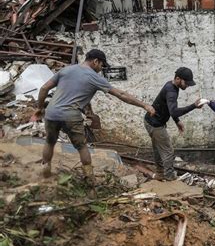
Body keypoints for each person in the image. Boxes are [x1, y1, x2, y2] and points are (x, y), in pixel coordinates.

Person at [33, 49, 155, 181]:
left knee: (50, 142)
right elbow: (121, 95)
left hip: (51, 113)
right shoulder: (94, 77)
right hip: (70, 115)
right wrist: (144, 105)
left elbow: (44, 88)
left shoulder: (66, 70)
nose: (101, 69)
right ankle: (90, 181)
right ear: (95, 61)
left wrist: (40, 108)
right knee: (82, 147)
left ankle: (45, 174)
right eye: (102, 65)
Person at [144, 67, 203, 180]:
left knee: (158, 149)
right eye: (186, 83)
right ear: (177, 79)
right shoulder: (171, 91)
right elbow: (174, 111)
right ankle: (170, 178)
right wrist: (193, 106)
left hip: (151, 121)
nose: (188, 86)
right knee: (168, 151)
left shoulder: (172, 86)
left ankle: (160, 174)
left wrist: (177, 121)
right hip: (155, 124)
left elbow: (170, 108)